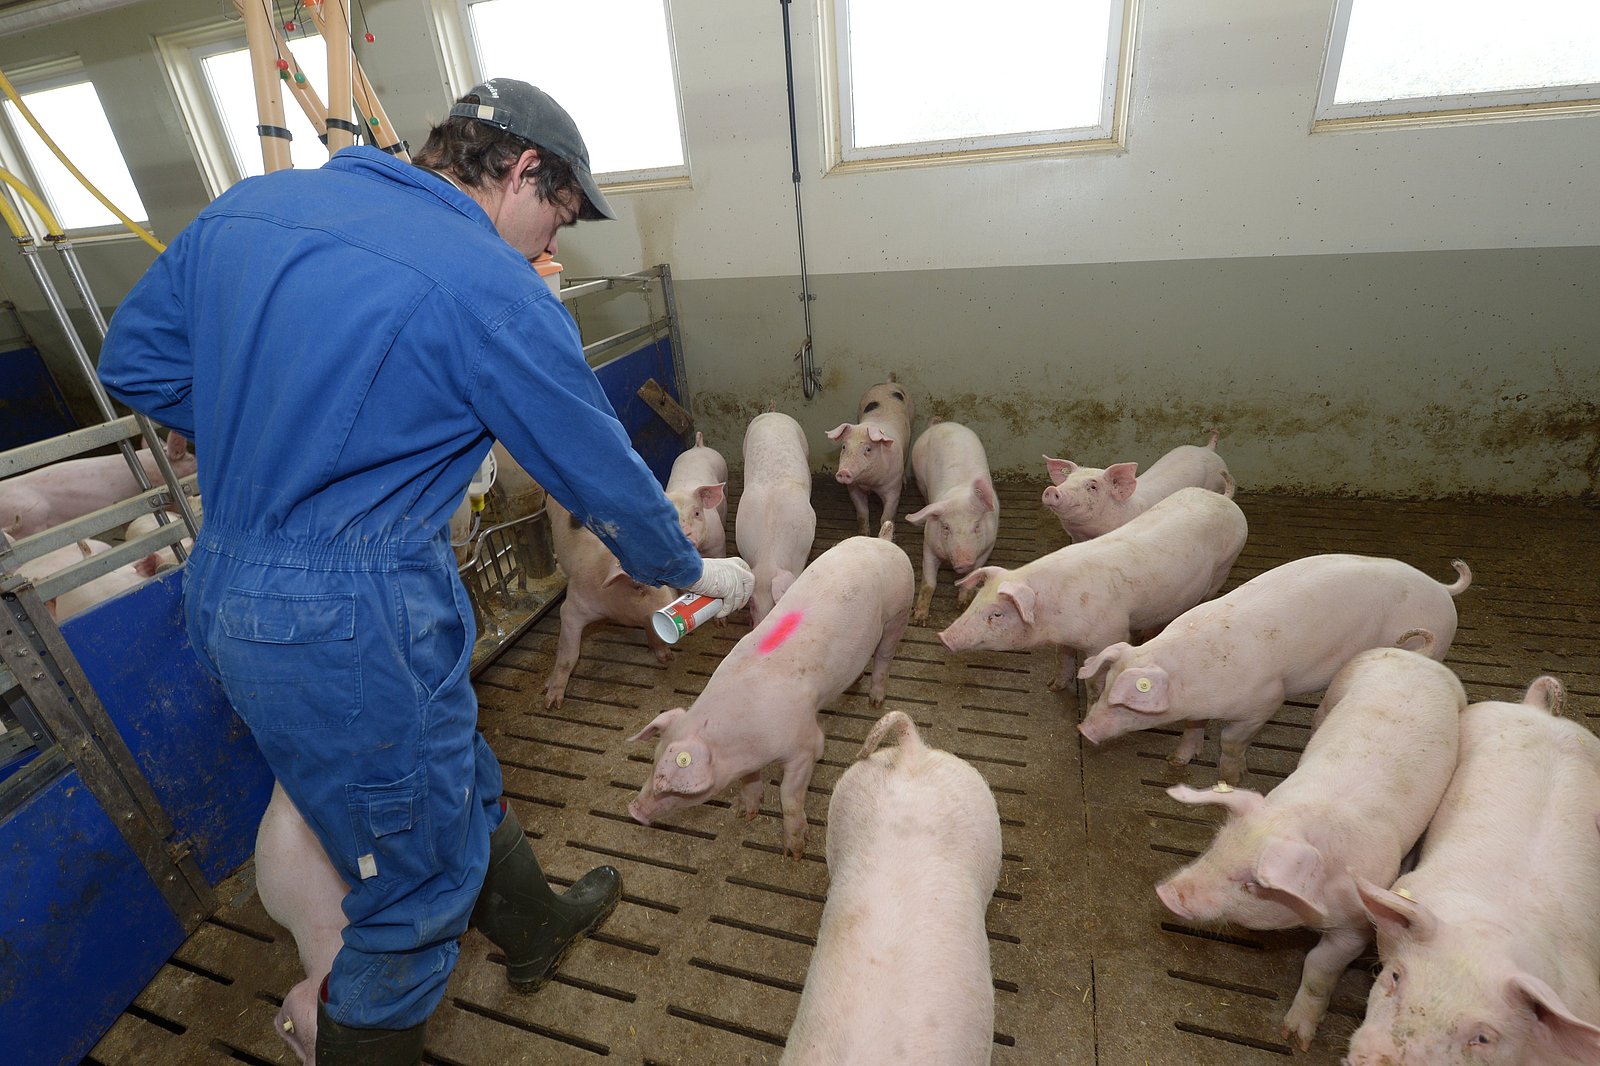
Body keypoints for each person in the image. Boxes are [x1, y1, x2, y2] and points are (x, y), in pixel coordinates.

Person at [97, 79, 754, 1064]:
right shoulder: (485, 287)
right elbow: (603, 477)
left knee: (449, 777)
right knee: (410, 894)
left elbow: (136, 361)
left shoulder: (250, 207)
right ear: (524, 170)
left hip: (231, 583)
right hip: (350, 616)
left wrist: (268, 416)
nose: (547, 248)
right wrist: (694, 570)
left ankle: (532, 925)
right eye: (554, 218)